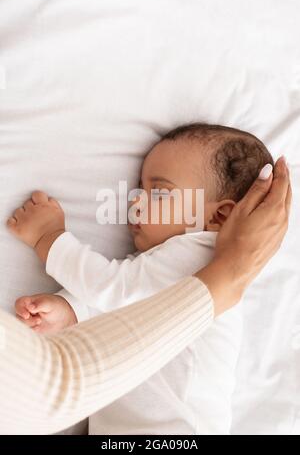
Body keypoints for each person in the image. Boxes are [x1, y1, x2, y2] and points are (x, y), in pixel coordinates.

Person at [9, 124, 274, 434]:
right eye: (139, 190)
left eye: (159, 193)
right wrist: (71, 311)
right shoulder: (172, 262)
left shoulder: (198, 253)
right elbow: (132, 303)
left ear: (218, 217)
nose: (135, 202)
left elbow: (115, 288)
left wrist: (49, 238)